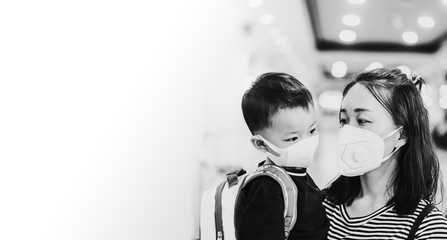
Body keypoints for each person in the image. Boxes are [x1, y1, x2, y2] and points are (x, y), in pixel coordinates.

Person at [324, 67, 447, 239]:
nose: (347, 131)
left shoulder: (426, 227)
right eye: (344, 120)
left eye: (362, 121)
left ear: (402, 135)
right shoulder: (321, 206)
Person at [234, 72, 329, 240]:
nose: (307, 142)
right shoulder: (266, 188)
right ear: (261, 144)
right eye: (293, 138)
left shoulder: (297, 175)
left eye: (312, 130)